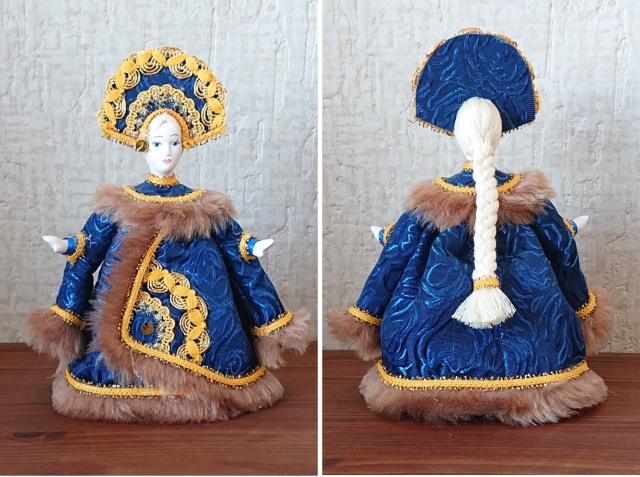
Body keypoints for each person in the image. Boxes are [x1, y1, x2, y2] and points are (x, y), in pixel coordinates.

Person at [328, 30, 612, 425]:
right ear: (499, 132)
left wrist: (366, 316)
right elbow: (563, 253)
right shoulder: (532, 201)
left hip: (428, 349)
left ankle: (431, 382)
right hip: (539, 358)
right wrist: (583, 310)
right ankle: (533, 387)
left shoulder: (429, 204)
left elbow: (394, 260)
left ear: (457, 135)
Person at [25, 47, 308, 423]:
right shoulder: (122, 201)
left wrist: (251, 246)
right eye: (158, 143)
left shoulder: (203, 204)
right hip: (126, 311)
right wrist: (71, 245)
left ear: (185, 144)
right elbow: (92, 238)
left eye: (174, 143)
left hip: (199, 303)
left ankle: (197, 385)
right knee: (113, 332)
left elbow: (231, 240)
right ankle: (130, 382)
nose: (167, 152)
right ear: (143, 144)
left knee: (210, 325)